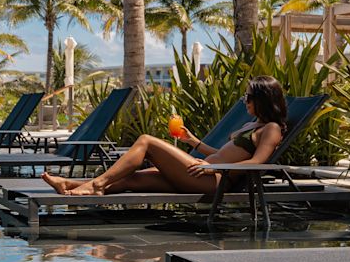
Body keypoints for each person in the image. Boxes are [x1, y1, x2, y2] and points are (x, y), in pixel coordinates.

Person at [41, 75, 288, 196]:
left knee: (146, 141)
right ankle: (70, 185)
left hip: (212, 181)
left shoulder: (271, 129)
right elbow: (221, 154)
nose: (245, 101)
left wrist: (213, 169)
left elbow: (258, 163)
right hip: (202, 171)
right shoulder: (252, 125)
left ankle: (95, 185)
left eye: (248, 98)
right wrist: (194, 142)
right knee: (131, 179)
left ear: (263, 100)